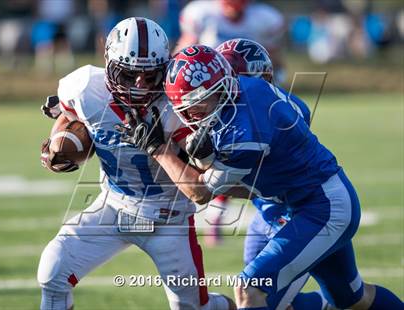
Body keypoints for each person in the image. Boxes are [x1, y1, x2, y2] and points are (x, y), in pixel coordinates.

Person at [122, 44, 403, 309]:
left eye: (207, 99)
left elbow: (200, 193)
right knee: (352, 299)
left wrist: (158, 150)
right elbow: (295, 119)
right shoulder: (252, 87)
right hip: (293, 202)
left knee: (252, 289)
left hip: (321, 209)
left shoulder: (243, 135)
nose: (205, 109)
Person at [38, 18, 235, 310]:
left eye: (150, 75)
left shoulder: (177, 103)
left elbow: (203, 185)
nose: (139, 85)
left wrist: (161, 148)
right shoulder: (84, 88)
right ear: (110, 65)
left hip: (169, 220)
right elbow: (67, 113)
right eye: (129, 75)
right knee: (52, 271)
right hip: (113, 206)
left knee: (196, 308)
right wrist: (59, 143)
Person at [176, 0, 286, 246]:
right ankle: (218, 212)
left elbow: (274, 56)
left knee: (243, 159)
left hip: (250, 98)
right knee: (221, 159)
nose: (233, 10)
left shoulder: (263, 18)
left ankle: (266, 205)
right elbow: (185, 51)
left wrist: (276, 86)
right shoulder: (202, 14)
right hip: (210, 98)